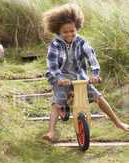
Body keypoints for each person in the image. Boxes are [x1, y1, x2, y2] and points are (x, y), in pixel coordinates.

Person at [42, 3, 129, 141]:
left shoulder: (82, 42)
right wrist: (59, 78)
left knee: (98, 97)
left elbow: (91, 58)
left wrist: (95, 74)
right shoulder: (55, 45)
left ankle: (118, 123)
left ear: (77, 27)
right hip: (60, 77)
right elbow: (52, 65)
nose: (69, 34)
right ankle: (51, 131)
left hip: (78, 76)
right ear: (58, 31)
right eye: (65, 32)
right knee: (58, 102)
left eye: (72, 31)